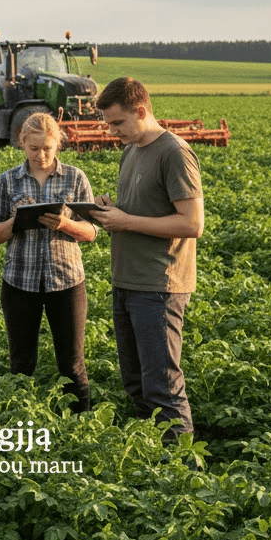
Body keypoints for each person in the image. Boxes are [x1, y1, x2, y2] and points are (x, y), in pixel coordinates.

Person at [93, 77, 204, 445]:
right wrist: (113, 212)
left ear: (141, 111)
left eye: (118, 122)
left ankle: (185, 470)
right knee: (136, 382)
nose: (112, 131)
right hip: (126, 281)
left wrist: (126, 221)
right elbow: (141, 212)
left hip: (158, 286)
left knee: (163, 387)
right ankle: (153, 463)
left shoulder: (174, 152)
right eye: (108, 124)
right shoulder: (132, 149)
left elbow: (192, 223)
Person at [0, 111, 96, 413]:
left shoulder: (75, 177)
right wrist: (16, 221)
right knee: (21, 362)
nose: (41, 155)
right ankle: (21, 422)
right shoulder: (8, 180)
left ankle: (82, 426)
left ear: (57, 144)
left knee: (72, 364)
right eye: (34, 148)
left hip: (67, 282)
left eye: (47, 148)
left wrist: (64, 225)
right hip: (20, 282)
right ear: (22, 143)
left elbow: (91, 232)